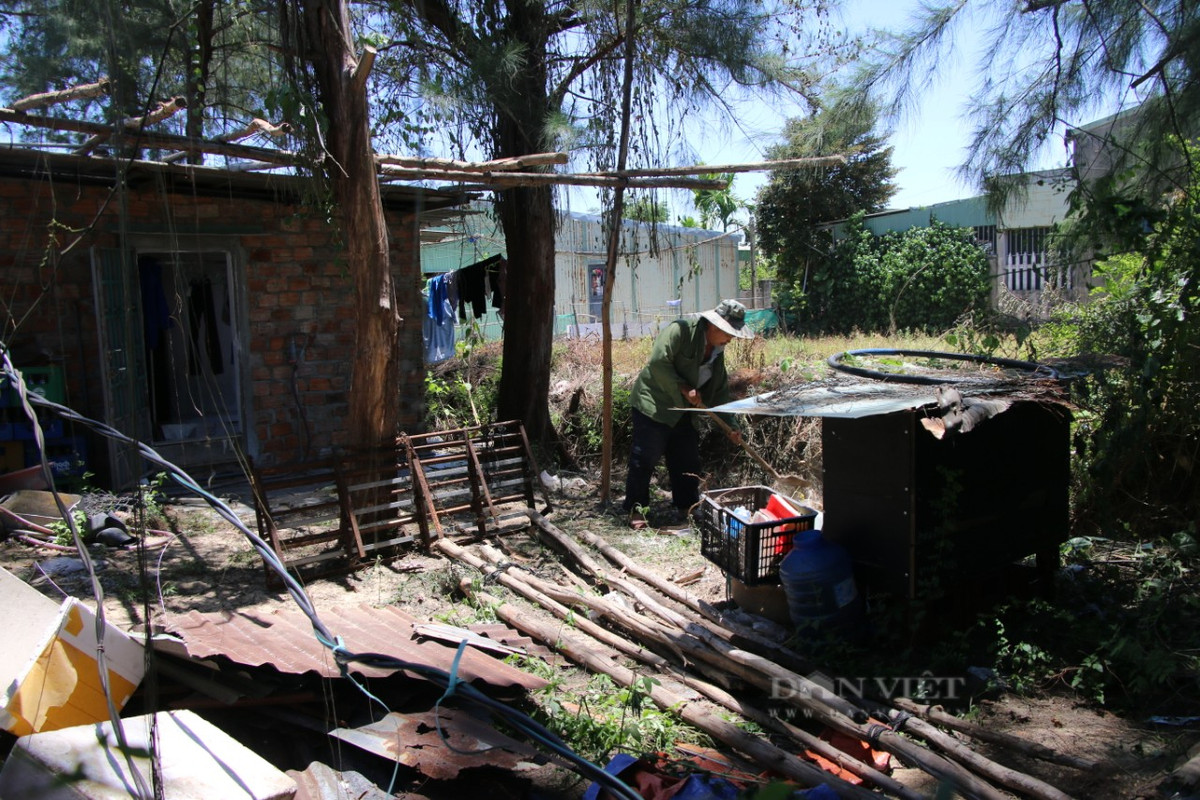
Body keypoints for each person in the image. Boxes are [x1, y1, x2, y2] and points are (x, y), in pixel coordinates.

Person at [623, 299, 754, 529]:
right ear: (714, 326)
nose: (730, 339)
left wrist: (730, 424)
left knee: (687, 459)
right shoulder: (679, 331)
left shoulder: (717, 352)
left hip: (684, 410)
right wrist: (683, 387)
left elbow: (719, 393)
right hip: (654, 403)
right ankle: (637, 510)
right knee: (644, 458)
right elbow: (658, 364)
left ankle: (687, 507)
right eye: (729, 333)